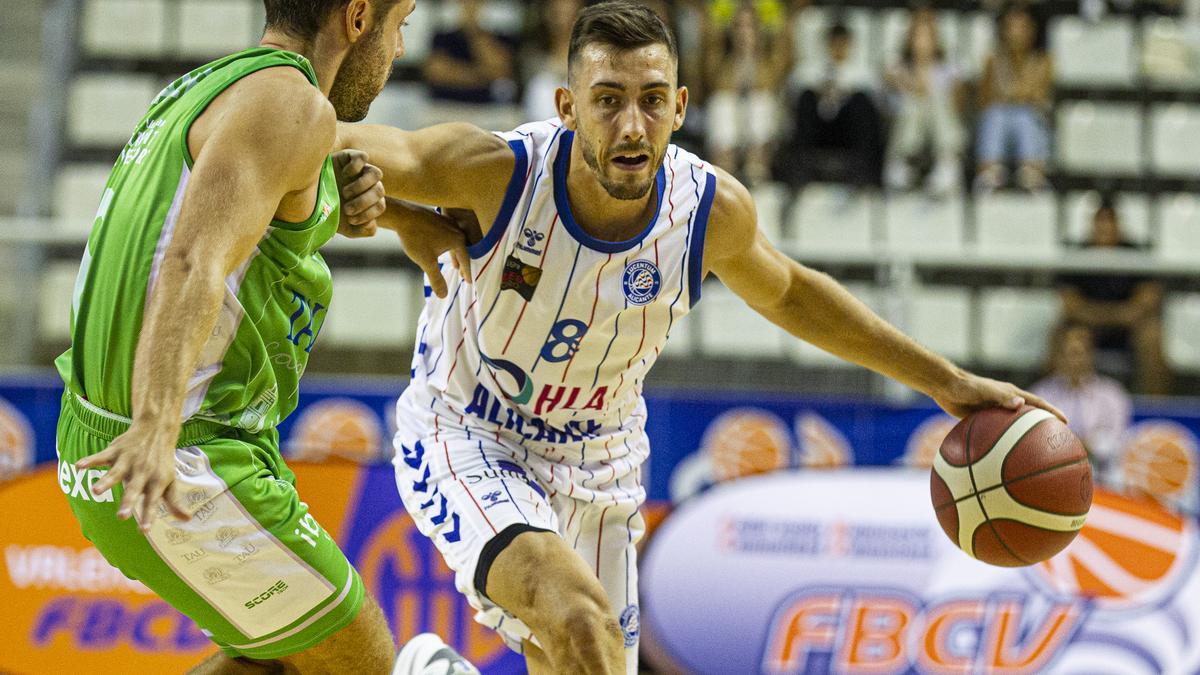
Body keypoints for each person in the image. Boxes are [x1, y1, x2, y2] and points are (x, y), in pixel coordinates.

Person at [338, 3, 1063, 672]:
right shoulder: (500, 173)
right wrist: (384, 203)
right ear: (567, 108)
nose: (631, 125)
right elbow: (336, 138)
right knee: (581, 624)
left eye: (652, 100)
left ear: (681, 107)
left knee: (572, 654)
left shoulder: (709, 209)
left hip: (600, 454)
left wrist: (945, 381)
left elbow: (794, 294)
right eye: (608, 100)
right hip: (471, 427)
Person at [56, 0, 476, 672]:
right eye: (401, 24)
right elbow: (193, 258)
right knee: (362, 655)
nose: (401, 49)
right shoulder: (294, 109)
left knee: (268, 661)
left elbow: (254, 208)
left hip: (116, 438)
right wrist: (158, 425)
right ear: (359, 17)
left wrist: (387, 212)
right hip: (177, 454)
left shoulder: (214, 87)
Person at [1057, 199, 1171, 394]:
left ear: (1119, 224)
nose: (1105, 227)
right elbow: (1070, 306)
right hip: (1088, 328)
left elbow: (1148, 301)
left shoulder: (1136, 256)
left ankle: (1155, 408)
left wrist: (1100, 314)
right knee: (1061, 335)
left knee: (1152, 336)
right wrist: (1117, 314)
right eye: (1100, 221)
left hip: (1128, 331)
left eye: (1109, 221)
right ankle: (1056, 402)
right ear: (1092, 224)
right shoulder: (1077, 257)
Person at [775, 21, 885, 187]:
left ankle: (863, 170)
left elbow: (878, 103)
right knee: (806, 96)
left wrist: (845, 93)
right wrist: (821, 91)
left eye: (843, 43)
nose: (838, 47)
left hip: (848, 131)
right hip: (819, 130)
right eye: (835, 43)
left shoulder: (862, 72)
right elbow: (792, 90)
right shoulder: (811, 69)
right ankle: (799, 169)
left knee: (861, 99)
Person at [702, 0, 792, 184]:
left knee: (761, 103)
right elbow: (715, 83)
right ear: (731, 31)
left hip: (758, 129)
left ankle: (757, 169)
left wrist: (753, 55)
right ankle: (723, 173)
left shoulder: (768, 60)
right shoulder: (722, 59)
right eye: (739, 26)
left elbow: (773, 81)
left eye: (750, 26)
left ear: (759, 31)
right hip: (731, 125)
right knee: (722, 104)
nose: (744, 33)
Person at [1031, 324, 1133, 479]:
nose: (1073, 360)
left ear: (1090, 354)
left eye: (1078, 353)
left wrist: (1085, 445)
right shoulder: (1039, 395)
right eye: (1066, 354)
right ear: (1057, 356)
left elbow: (1117, 442)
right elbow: (1036, 443)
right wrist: (1075, 445)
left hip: (1102, 476)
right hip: (1055, 476)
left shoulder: (1112, 395)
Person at [884, 7, 966, 195]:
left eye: (927, 37)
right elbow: (889, 95)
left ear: (936, 40)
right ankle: (901, 163)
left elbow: (958, 104)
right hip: (906, 123)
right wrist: (912, 79)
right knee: (912, 104)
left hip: (938, 124)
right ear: (910, 39)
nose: (922, 42)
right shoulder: (898, 66)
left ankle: (947, 164)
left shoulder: (948, 68)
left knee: (937, 102)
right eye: (918, 37)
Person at [975, 2, 1053, 192]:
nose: (1016, 33)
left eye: (1022, 28)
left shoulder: (1043, 60)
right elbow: (985, 99)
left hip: (1032, 118)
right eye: (1012, 28)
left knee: (1024, 116)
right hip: (1000, 119)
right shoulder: (993, 61)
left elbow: (1039, 96)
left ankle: (1032, 172)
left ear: (1032, 31)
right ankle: (989, 172)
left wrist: (1014, 96)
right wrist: (1016, 96)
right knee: (995, 115)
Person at [425, 0, 517, 105]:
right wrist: (482, 75)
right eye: (466, 3)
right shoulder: (442, 36)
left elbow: (500, 72)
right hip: (445, 104)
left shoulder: (501, 36)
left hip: (488, 106)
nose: (471, 7)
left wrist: (474, 31)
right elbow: (437, 73)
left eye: (476, 3)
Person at [521, 0, 581, 122]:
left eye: (568, 13)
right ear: (547, 14)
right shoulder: (532, 52)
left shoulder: (588, 53)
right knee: (542, 86)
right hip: (540, 118)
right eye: (557, 13)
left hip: (576, 118)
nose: (562, 20)